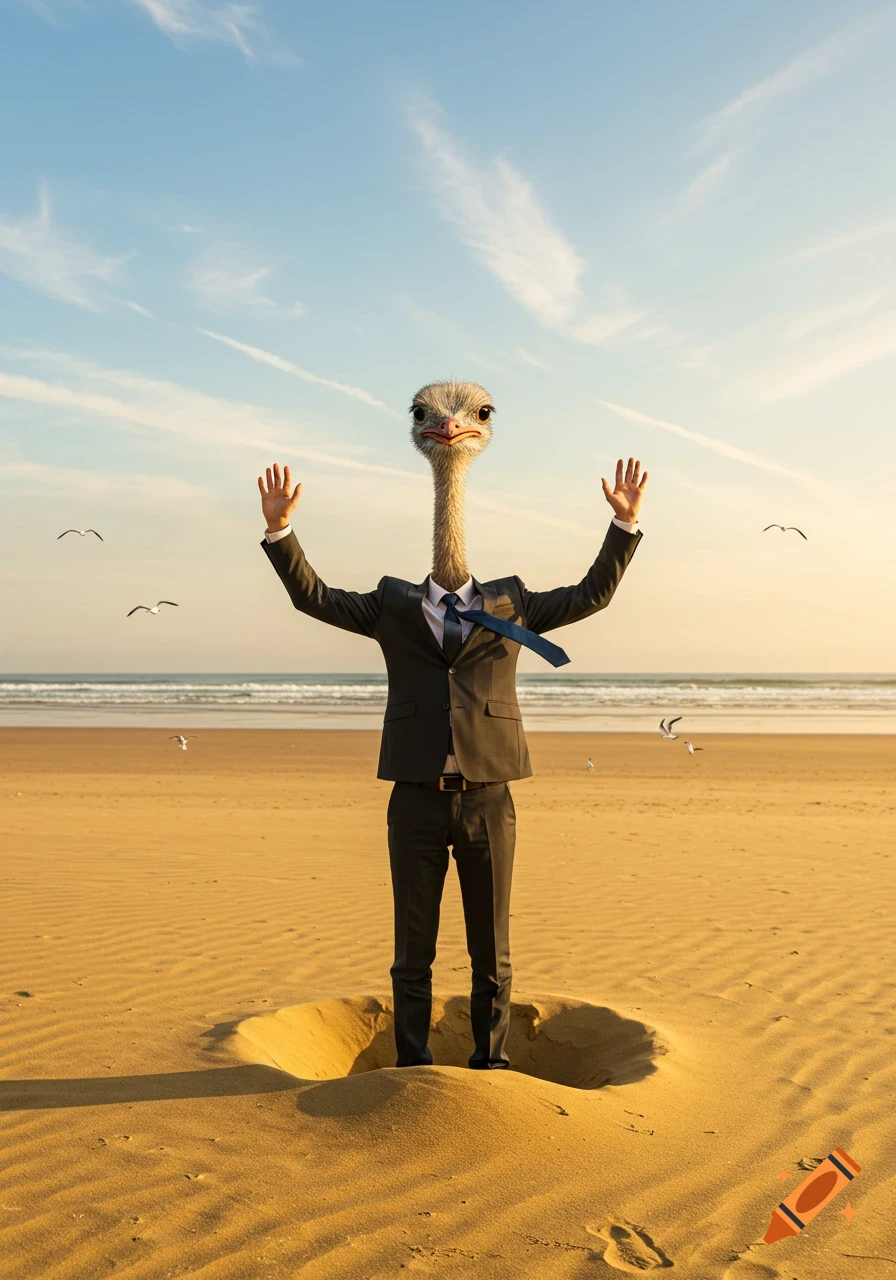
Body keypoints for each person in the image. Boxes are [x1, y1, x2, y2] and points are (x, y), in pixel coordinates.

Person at [258, 382, 647, 1070]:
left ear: (486, 429)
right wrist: (282, 531)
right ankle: (410, 1066)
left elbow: (593, 595)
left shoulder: (513, 601)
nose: (450, 426)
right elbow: (312, 598)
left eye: (473, 415)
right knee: (412, 950)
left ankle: (489, 1062)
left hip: (488, 797)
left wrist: (622, 527)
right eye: (429, 416)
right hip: (413, 798)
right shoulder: (392, 605)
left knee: (490, 950)